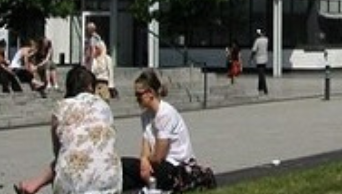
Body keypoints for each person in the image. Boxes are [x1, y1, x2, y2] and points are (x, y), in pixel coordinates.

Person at [14, 66, 123, 194]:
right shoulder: (104, 106)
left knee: (68, 159)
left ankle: (32, 185)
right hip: (110, 183)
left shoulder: (61, 107)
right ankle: (32, 185)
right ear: (90, 86)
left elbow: (58, 153)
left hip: (74, 187)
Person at [122, 69, 214, 192]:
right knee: (121, 165)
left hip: (175, 165)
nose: (137, 98)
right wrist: (144, 160)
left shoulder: (165, 114)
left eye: (139, 95)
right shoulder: (145, 116)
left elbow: (159, 156)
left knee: (156, 171)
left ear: (150, 93)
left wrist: (146, 161)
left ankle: (150, 183)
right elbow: (145, 147)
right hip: (156, 164)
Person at [252, 29, 270, 95]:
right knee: (261, 74)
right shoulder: (266, 40)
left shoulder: (257, 40)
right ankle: (260, 88)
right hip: (265, 59)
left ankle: (265, 89)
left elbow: (254, 50)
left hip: (259, 59)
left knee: (261, 75)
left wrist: (251, 57)